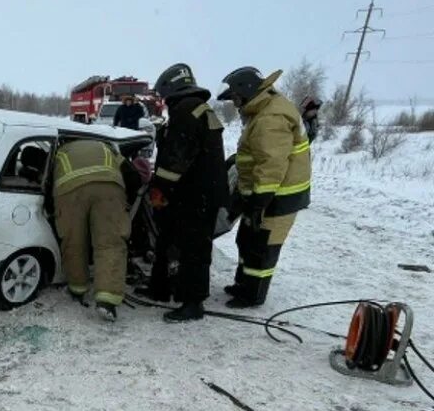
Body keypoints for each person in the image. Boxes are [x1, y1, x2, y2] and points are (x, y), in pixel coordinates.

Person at [141, 63, 229, 323]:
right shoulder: (196, 107)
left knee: (194, 250)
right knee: (168, 240)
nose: (165, 103)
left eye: (164, 98)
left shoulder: (187, 110)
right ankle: (161, 288)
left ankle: (193, 303)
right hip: (192, 194)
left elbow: (175, 160)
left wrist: (159, 189)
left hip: (196, 197)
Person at [217, 67, 311, 307]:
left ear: (248, 91)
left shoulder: (270, 118)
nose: (236, 104)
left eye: (236, 98)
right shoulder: (265, 109)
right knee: (247, 239)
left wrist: (259, 202)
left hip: (277, 196)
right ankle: (242, 284)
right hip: (268, 193)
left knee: (262, 245)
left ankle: (252, 295)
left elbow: (271, 164)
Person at [52, 138, 142, 322]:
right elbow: (133, 176)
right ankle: (107, 300)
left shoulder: (59, 152)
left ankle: (77, 288)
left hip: (70, 190)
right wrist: (126, 200)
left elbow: (46, 184)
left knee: (74, 241)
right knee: (110, 244)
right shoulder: (106, 147)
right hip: (109, 189)